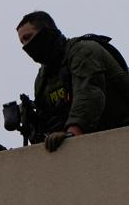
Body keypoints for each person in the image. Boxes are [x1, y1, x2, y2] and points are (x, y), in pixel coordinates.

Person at [16, 11, 129, 152]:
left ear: (47, 32)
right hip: (93, 146)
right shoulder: (43, 78)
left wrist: (73, 132)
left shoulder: (83, 51)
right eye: (22, 42)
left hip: (121, 135)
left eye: (28, 37)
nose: (26, 46)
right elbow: (48, 117)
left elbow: (89, 93)